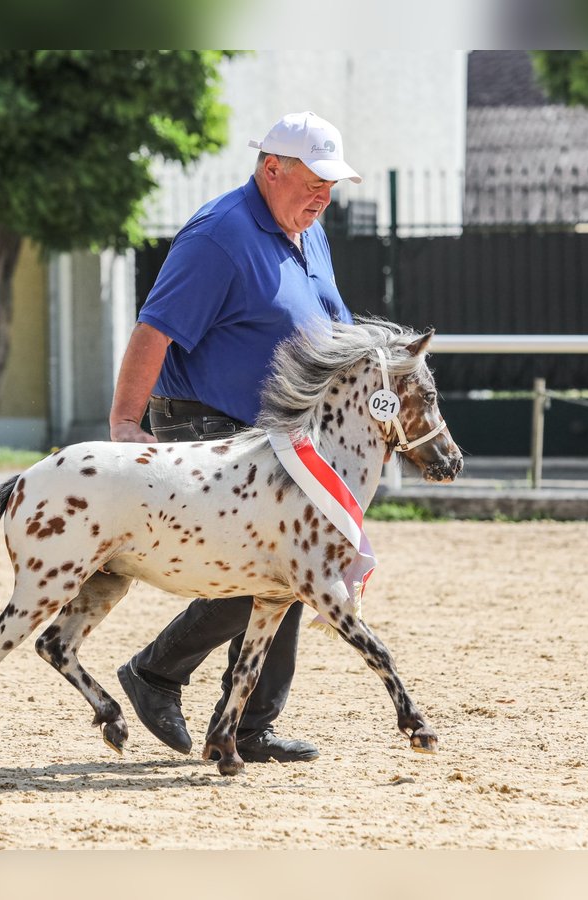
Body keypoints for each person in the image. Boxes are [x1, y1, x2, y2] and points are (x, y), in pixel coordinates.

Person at [109, 111, 361, 764]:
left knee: (299, 566)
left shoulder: (308, 231)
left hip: (277, 433)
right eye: (313, 182)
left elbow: (334, 328)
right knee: (273, 572)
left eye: (331, 186)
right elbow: (153, 332)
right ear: (271, 168)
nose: (323, 197)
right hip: (205, 424)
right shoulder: (219, 235)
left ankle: (249, 727)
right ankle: (156, 672)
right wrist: (125, 428)